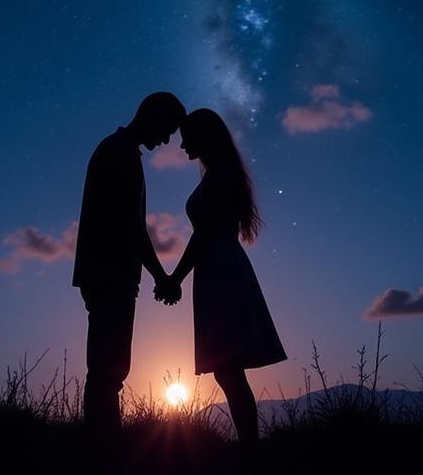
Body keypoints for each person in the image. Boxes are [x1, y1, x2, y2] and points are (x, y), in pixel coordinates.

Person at [156, 108, 286, 447]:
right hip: (216, 268)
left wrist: (175, 278)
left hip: (221, 269)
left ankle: (250, 450)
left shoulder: (219, 175)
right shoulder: (217, 172)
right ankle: (250, 448)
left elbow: (204, 234)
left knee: (228, 365)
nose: (182, 145)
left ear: (203, 135)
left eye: (187, 136)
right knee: (227, 367)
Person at [71, 91, 187, 440]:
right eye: (166, 129)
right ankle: (103, 448)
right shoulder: (120, 153)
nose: (166, 140)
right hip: (111, 275)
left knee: (108, 369)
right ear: (151, 115)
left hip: (105, 274)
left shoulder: (116, 150)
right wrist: (162, 277)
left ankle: (102, 444)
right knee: (110, 369)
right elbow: (131, 226)